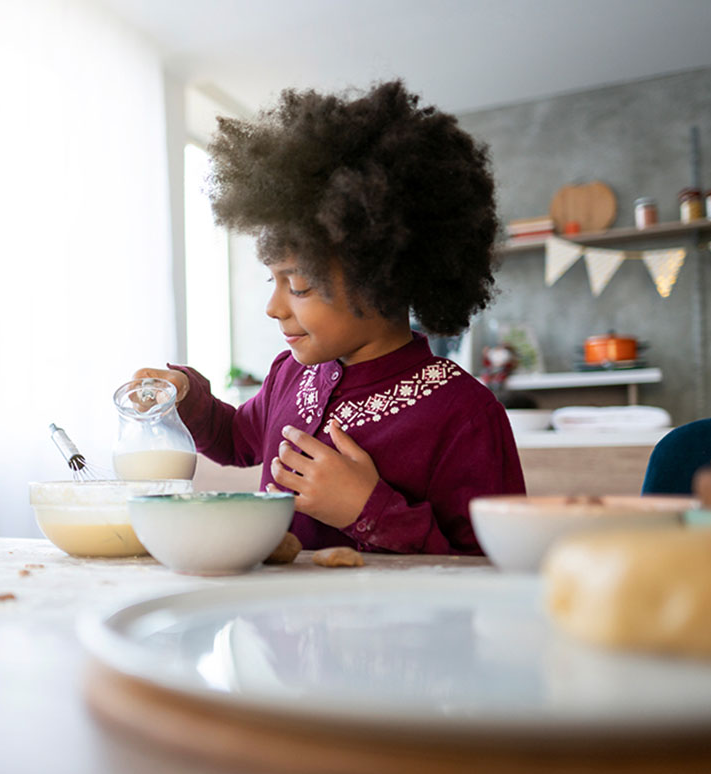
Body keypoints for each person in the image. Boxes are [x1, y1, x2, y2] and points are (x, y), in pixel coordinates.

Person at [134, 80, 525, 555]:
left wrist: (369, 511)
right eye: (272, 281)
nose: (274, 308)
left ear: (383, 277)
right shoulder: (291, 373)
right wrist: (186, 396)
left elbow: (492, 575)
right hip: (277, 622)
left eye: (298, 286)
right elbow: (237, 439)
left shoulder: (466, 416)